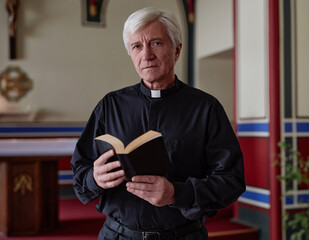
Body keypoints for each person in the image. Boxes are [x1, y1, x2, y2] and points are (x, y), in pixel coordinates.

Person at [71, 7, 245, 240]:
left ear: (177, 50)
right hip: (117, 235)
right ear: (131, 54)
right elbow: (80, 172)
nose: (146, 55)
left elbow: (231, 180)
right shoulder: (110, 105)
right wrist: (95, 178)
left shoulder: (205, 108)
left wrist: (178, 193)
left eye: (156, 43)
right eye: (137, 46)